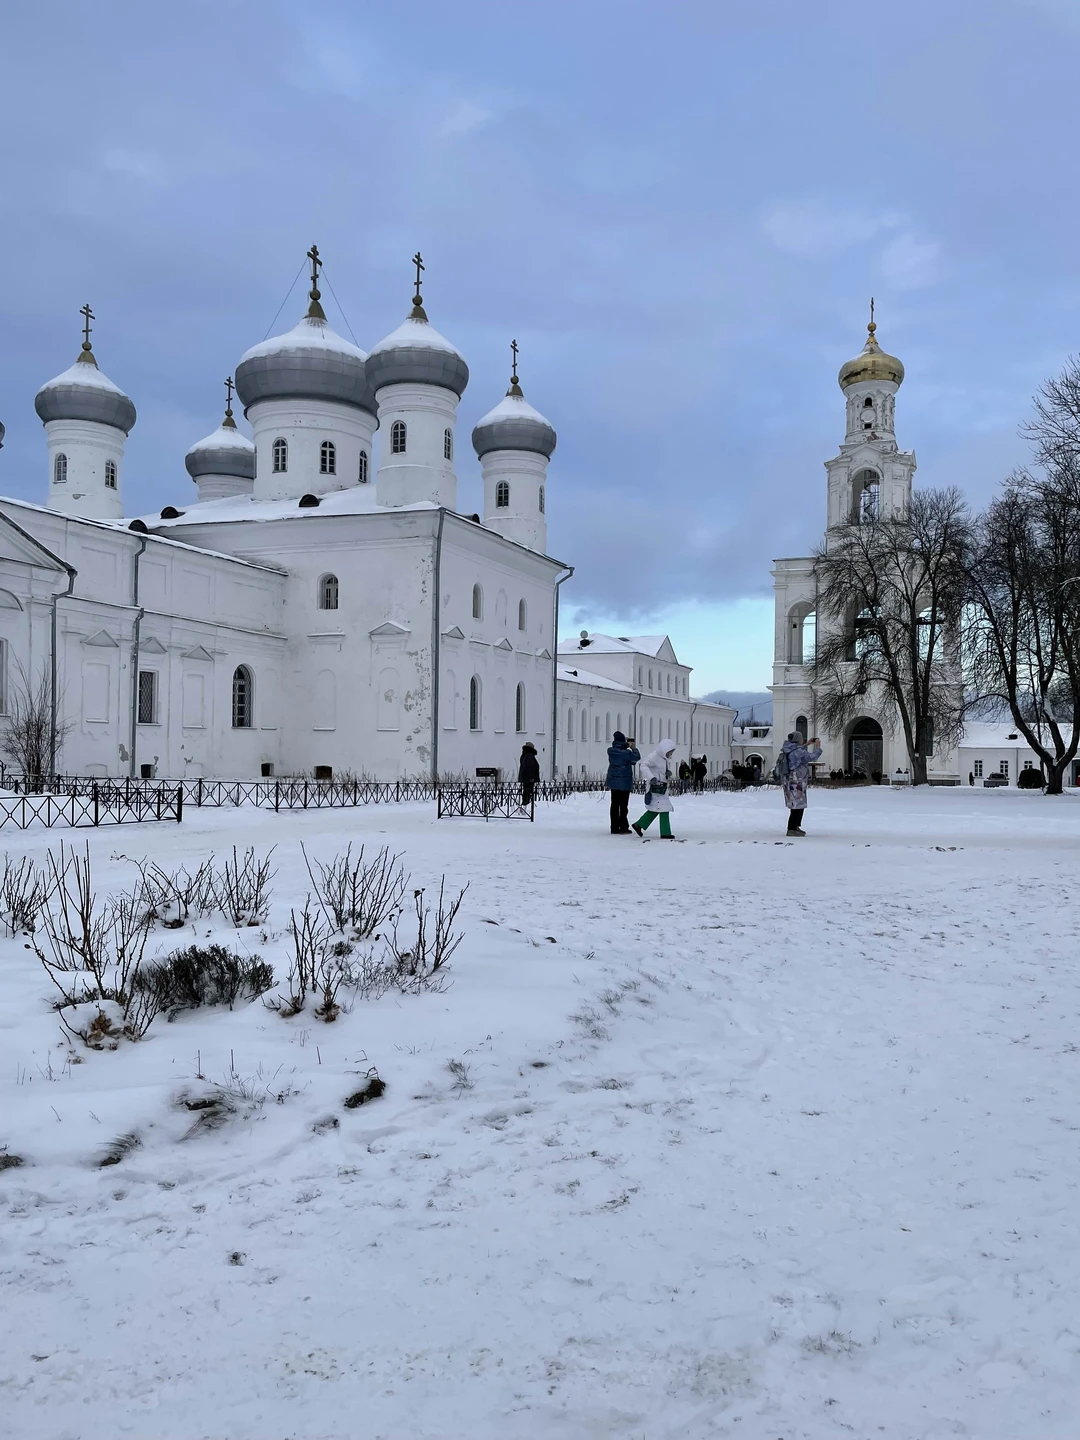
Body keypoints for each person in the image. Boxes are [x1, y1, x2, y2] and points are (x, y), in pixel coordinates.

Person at [775, 731, 822, 836]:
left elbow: (798, 753)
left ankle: (795, 827)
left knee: (795, 805)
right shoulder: (798, 751)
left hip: (788, 781)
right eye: (801, 739)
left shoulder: (787, 749)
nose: (802, 740)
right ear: (798, 739)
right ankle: (792, 828)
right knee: (798, 805)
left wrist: (806, 745)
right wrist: (818, 748)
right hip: (797, 781)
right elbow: (811, 757)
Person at [632, 738, 677, 839]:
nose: (670, 754)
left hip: (661, 787)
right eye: (670, 752)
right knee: (664, 808)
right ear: (664, 750)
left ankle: (639, 824)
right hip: (655, 787)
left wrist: (667, 772)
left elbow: (658, 770)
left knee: (656, 808)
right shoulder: (654, 756)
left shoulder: (663, 758)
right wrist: (651, 777)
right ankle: (665, 833)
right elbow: (643, 765)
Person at [605, 731, 640, 833]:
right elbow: (636, 758)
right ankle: (623, 826)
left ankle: (614, 827)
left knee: (614, 804)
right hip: (624, 782)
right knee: (623, 806)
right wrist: (632, 747)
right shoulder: (627, 753)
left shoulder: (610, 751)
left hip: (614, 782)